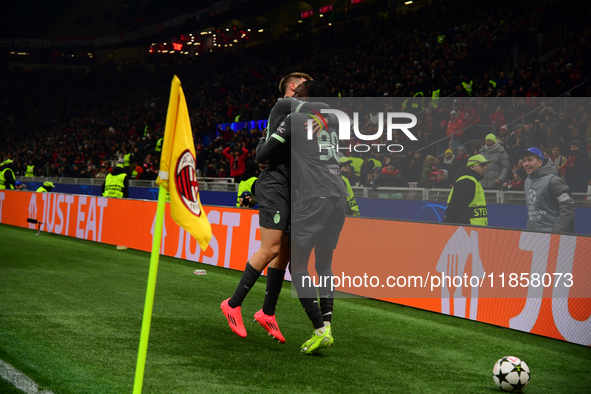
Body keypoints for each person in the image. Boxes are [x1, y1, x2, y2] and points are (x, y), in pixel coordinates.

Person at [220, 72, 312, 344]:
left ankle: (267, 313)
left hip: (288, 185)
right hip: (274, 182)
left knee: (283, 252)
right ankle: (233, 304)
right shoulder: (285, 104)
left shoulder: (286, 116)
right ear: (294, 87)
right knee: (270, 248)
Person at [259, 80, 346, 354]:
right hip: (338, 197)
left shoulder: (296, 117)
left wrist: (267, 140)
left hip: (314, 198)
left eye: (296, 93)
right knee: (324, 266)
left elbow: (262, 153)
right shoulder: (331, 122)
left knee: (297, 267)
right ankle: (328, 325)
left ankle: (319, 328)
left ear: (300, 96)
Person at [521, 148, 575, 233]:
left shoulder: (554, 181)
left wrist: (555, 234)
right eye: (524, 161)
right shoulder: (527, 182)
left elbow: (568, 208)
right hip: (535, 238)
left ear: (540, 163)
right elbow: (531, 211)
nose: (526, 164)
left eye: (530, 160)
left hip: (554, 238)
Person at [445, 154, 492, 226]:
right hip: (466, 229)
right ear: (472, 167)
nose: (485, 168)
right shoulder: (466, 182)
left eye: (485, 165)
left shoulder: (475, 181)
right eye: (482, 165)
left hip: (475, 229)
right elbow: (454, 206)